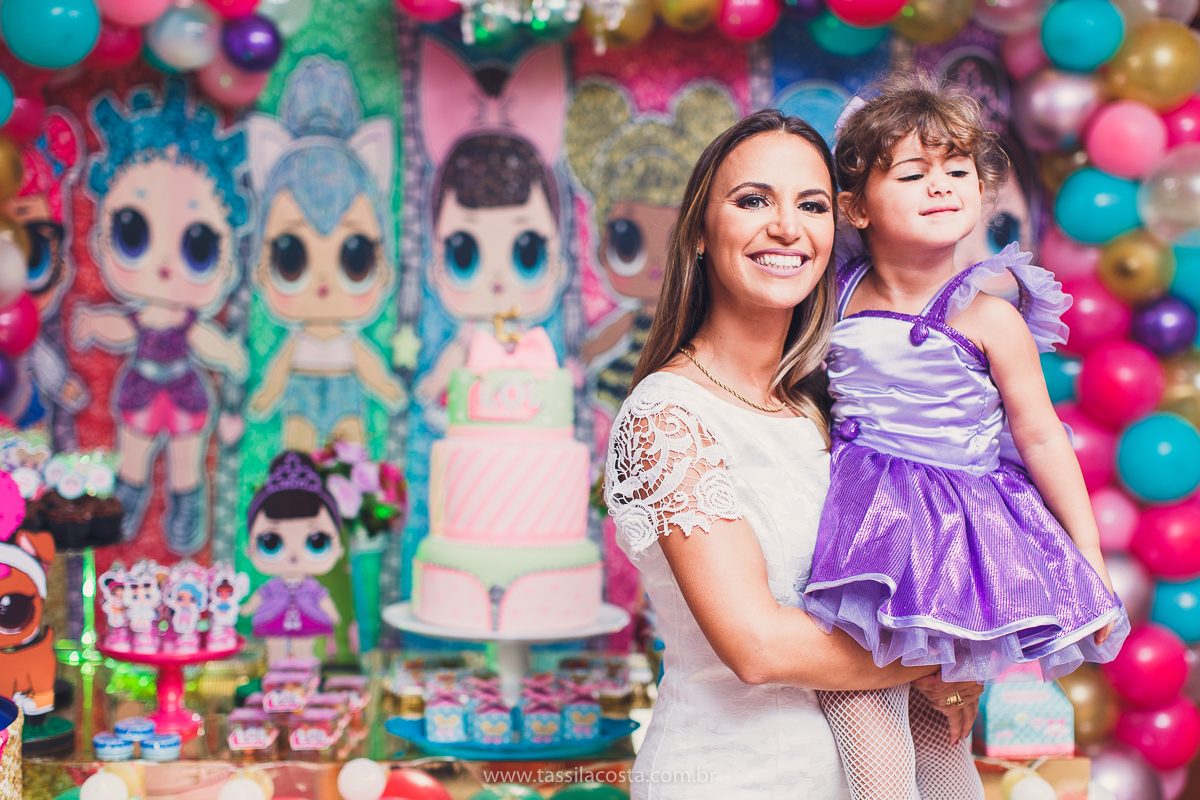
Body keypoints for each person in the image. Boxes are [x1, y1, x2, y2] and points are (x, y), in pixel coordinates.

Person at [604, 109, 979, 800]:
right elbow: (759, 647)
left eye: (811, 205)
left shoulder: (827, 406)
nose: (786, 227)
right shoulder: (667, 419)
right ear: (696, 232)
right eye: (753, 201)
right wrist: (944, 650)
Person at [802, 74, 1130, 799]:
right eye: (914, 173)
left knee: (935, 714)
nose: (943, 185)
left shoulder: (988, 316)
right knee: (855, 692)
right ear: (854, 206)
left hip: (951, 535)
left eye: (958, 169)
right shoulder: (833, 297)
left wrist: (1090, 559)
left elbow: (1042, 438)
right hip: (862, 524)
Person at [240, 451, 343, 664]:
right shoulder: (273, 586)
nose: (294, 557)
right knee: (275, 646)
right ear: (249, 548)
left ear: (338, 548)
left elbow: (322, 598)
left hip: (308, 616)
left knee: (305, 645)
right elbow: (260, 595)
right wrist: (247, 608)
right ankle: (276, 670)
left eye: (317, 542)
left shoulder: (312, 588)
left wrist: (333, 614)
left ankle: (304, 671)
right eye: (271, 542)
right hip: (273, 616)